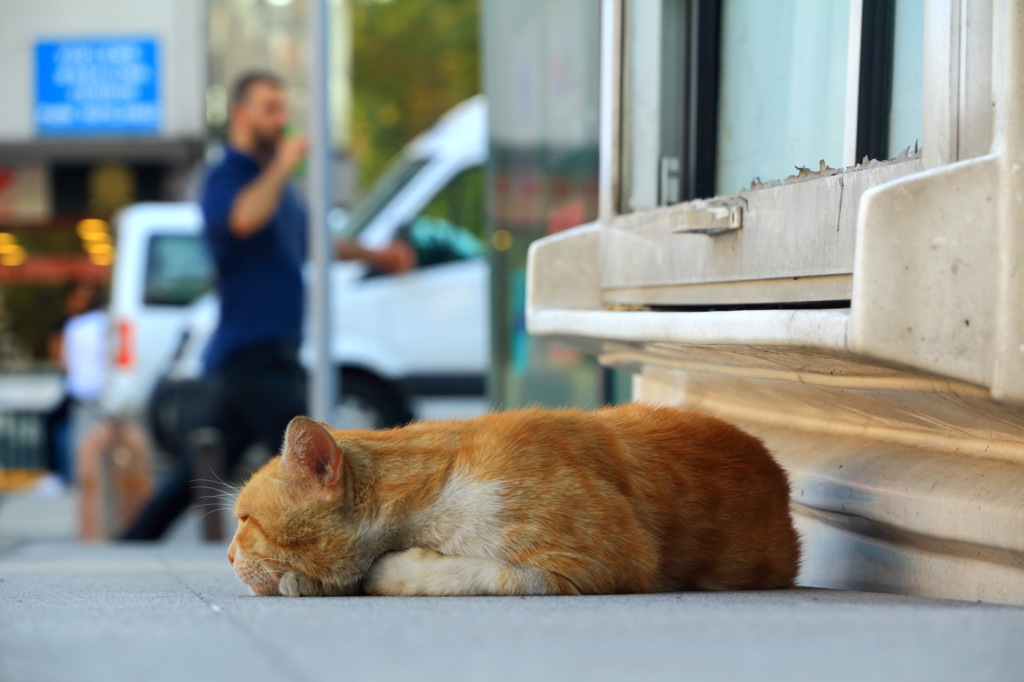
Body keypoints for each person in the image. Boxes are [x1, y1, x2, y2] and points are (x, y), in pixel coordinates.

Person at [122, 71, 311, 540]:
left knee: (200, 468)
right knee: (311, 460)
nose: (281, 119)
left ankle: (134, 541)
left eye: (283, 107)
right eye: (270, 107)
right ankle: (337, 549)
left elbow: (314, 241)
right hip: (253, 352)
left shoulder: (277, 188)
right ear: (241, 115)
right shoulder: (227, 176)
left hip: (273, 347)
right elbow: (243, 219)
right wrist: (284, 165)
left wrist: (377, 255)